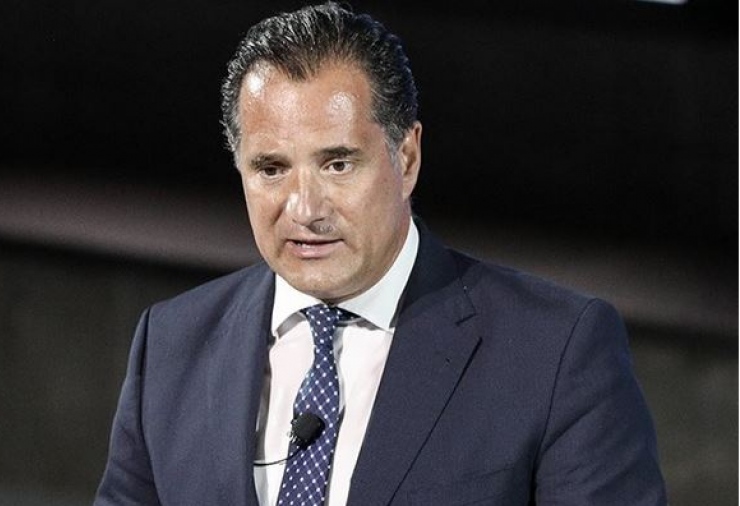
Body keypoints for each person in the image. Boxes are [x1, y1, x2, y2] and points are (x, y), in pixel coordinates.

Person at [94, 3, 667, 505]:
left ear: (407, 158)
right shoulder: (170, 345)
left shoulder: (555, 353)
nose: (304, 208)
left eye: (338, 164)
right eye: (271, 169)